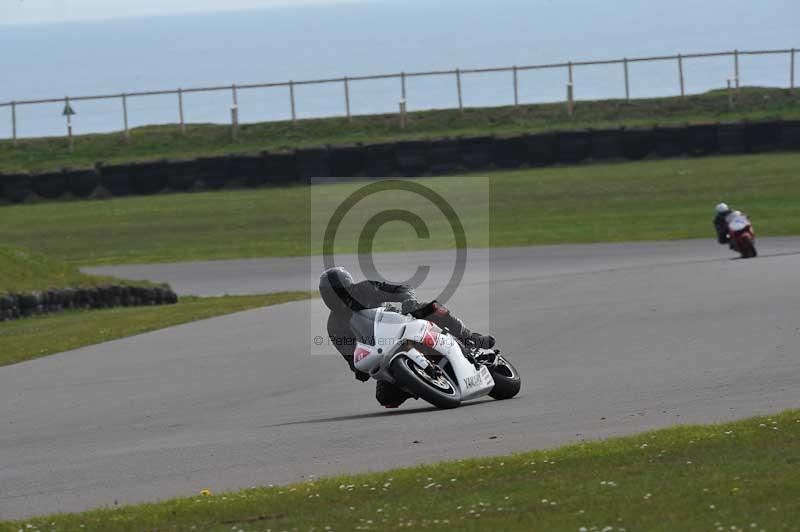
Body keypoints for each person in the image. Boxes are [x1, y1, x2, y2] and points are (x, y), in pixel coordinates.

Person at [319, 266, 495, 408]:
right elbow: (350, 357)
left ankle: (470, 338)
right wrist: (359, 368)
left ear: (349, 287)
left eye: (340, 292)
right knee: (385, 398)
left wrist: (407, 301)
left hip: (401, 323)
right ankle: (419, 383)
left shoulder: (366, 288)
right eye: (331, 295)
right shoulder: (334, 326)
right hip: (383, 352)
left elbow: (402, 289)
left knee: (431, 308)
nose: (337, 298)